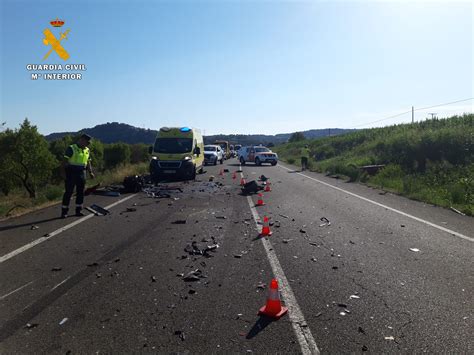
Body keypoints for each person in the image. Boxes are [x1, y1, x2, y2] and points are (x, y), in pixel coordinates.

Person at [60, 134, 95, 218]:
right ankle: (64, 212)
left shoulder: (87, 150)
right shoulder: (72, 148)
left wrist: (90, 172)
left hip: (82, 173)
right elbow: (64, 162)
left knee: (80, 192)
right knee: (69, 192)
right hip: (71, 172)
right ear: (81, 140)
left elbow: (88, 162)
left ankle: (78, 210)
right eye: (87, 142)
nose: (87, 144)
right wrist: (63, 173)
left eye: (88, 143)